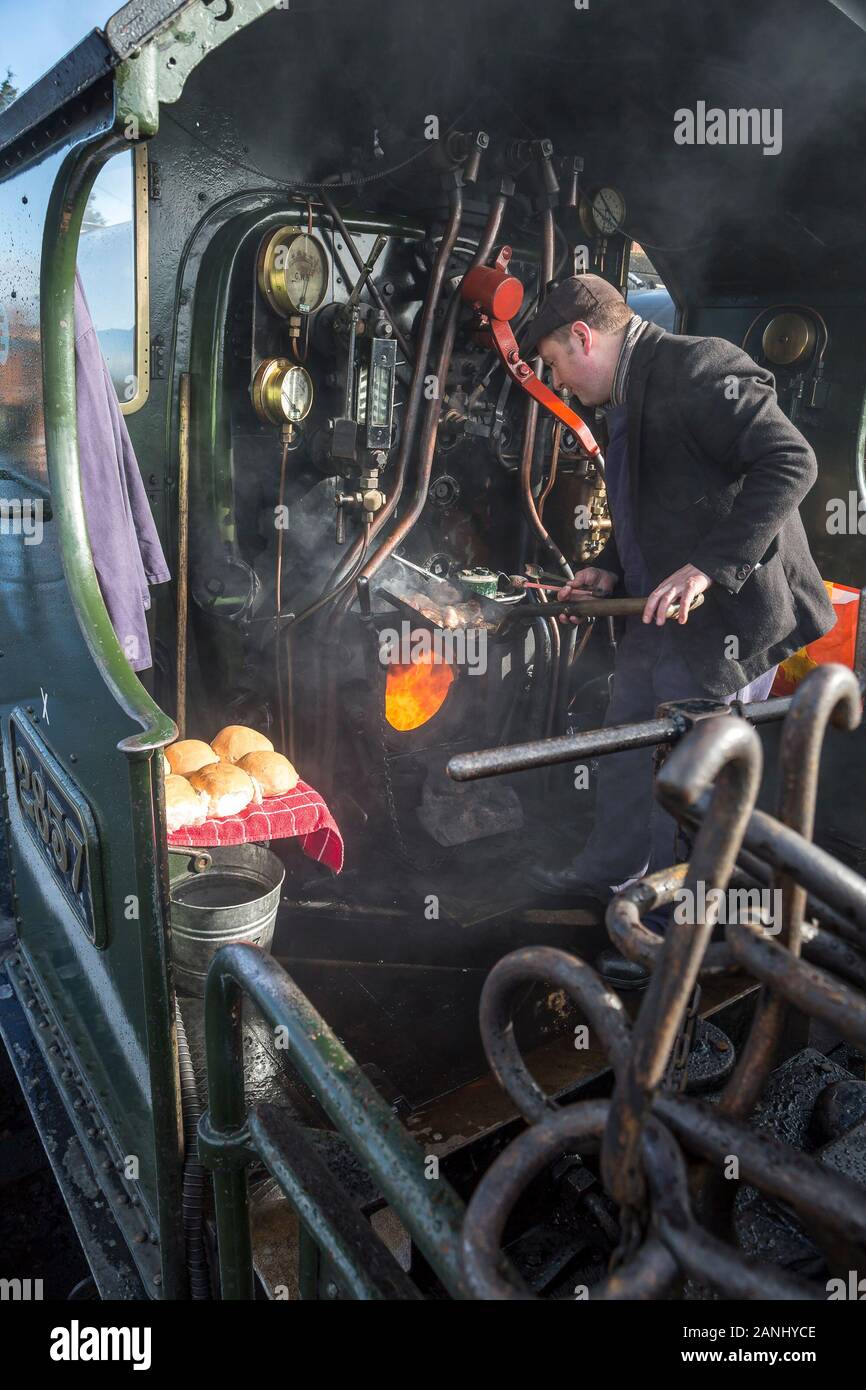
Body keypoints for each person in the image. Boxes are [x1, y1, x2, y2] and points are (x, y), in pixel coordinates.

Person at [520, 275, 835, 975]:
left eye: (558, 363)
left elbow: (792, 462)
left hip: (730, 620)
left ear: (583, 337)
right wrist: (610, 566)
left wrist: (705, 568)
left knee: (685, 784)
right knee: (626, 741)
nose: (561, 383)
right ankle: (609, 875)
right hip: (661, 615)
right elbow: (656, 503)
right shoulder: (630, 391)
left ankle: (667, 942)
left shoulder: (699, 366)